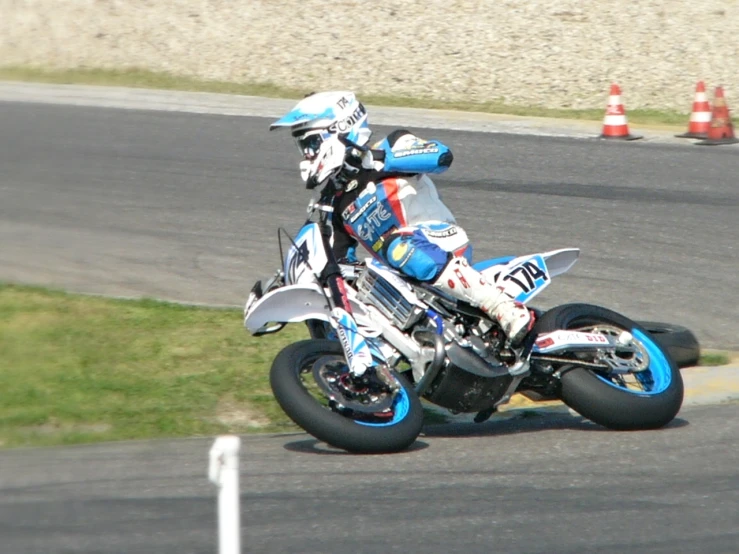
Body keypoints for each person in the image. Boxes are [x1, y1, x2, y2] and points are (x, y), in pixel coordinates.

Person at [270, 91, 533, 350]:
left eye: (312, 144)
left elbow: (441, 156)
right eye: (303, 147)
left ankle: (506, 309)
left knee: (397, 246)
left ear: (340, 128)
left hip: (437, 240)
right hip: (400, 275)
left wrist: (380, 160)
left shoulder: (391, 145)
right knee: (350, 285)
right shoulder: (336, 200)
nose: (307, 154)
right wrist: (282, 289)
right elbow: (333, 258)